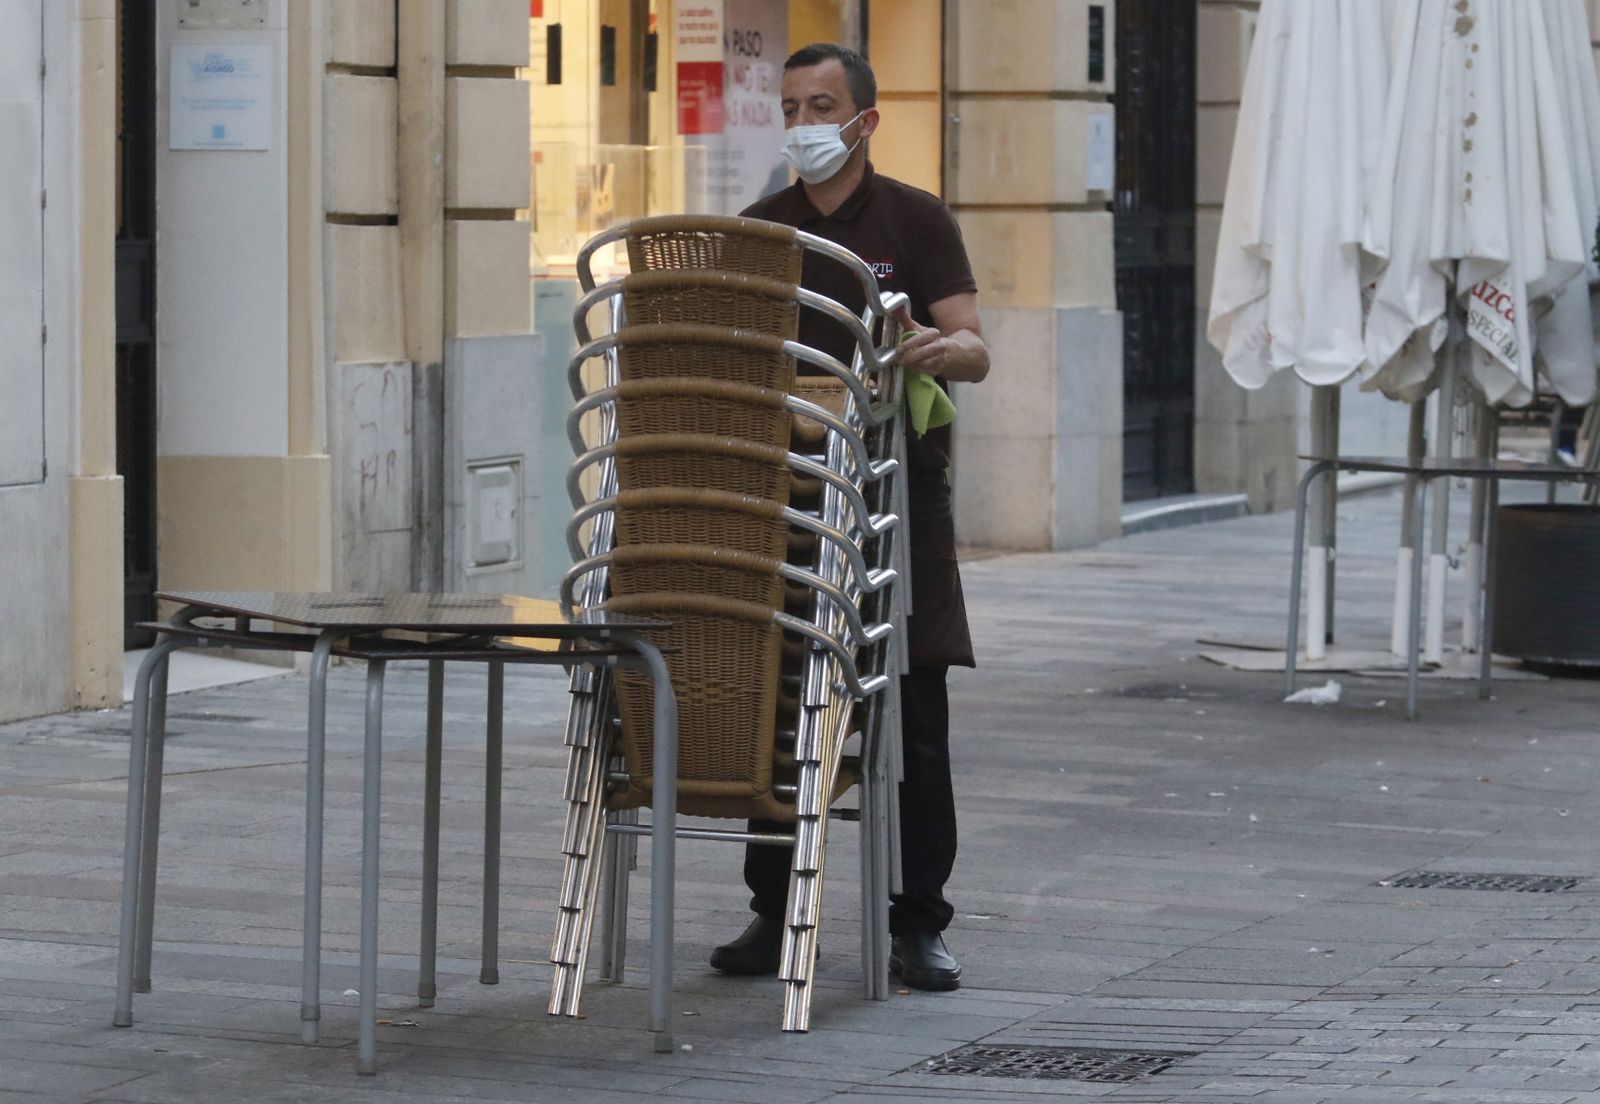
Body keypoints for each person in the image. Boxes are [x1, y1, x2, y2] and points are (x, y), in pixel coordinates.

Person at [708, 42, 990, 992]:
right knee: (780, 700)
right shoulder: (764, 226)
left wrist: (932, 348)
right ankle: (773, 906)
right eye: (791, 106)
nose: (804, 124)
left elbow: (975, 347)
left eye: (821, 105)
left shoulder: (916, 217)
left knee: (911, 709)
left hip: (894, 500)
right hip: (784, 499)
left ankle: (919, 924)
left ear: (864, 120)